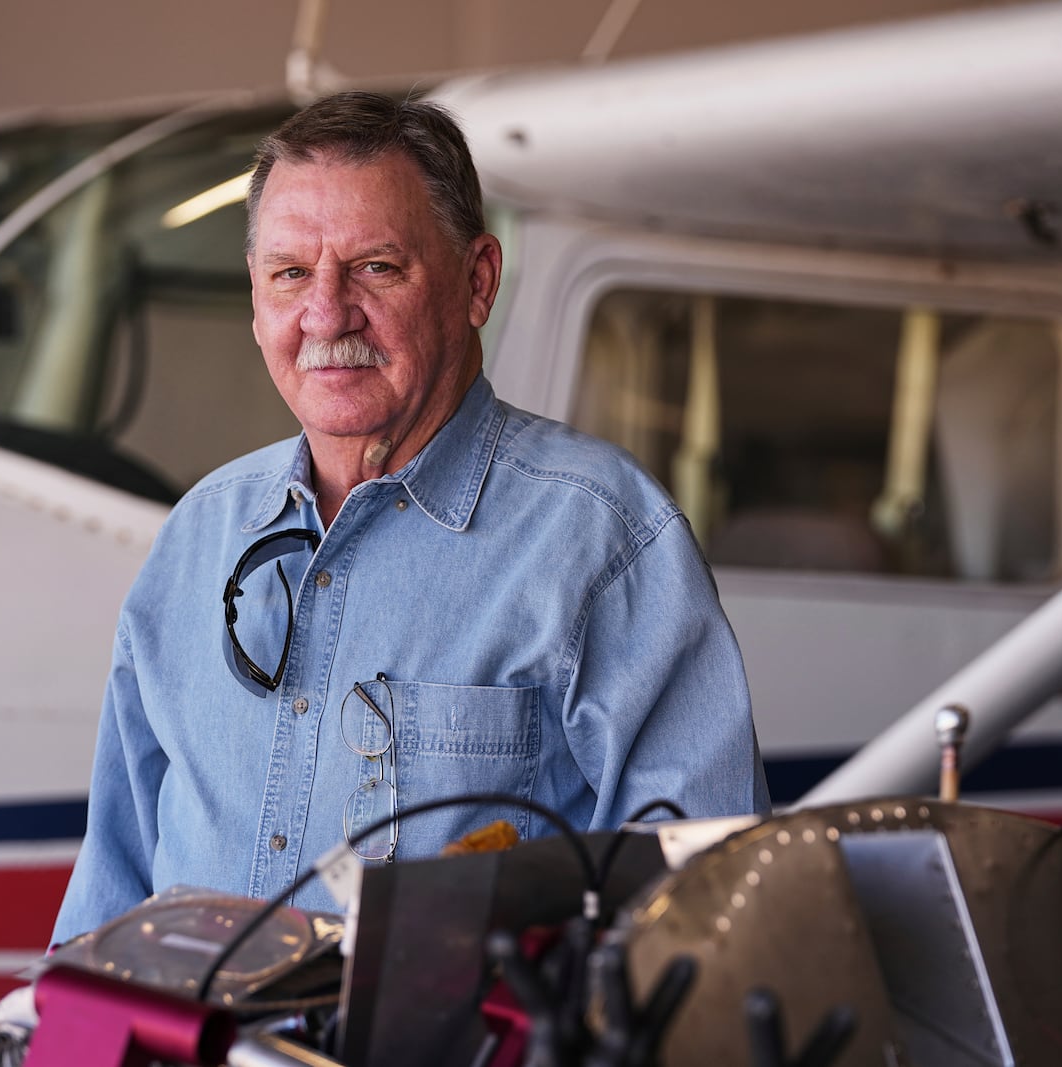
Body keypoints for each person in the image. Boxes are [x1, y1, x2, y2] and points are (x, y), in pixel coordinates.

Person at [50, 91, 769, 945]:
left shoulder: (604, 540)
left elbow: (704, 921)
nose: (326, 312)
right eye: (290, 273)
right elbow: (108, 908)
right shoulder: (197, 541)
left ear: (477, 282)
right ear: (255, 299)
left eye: (376, 267)